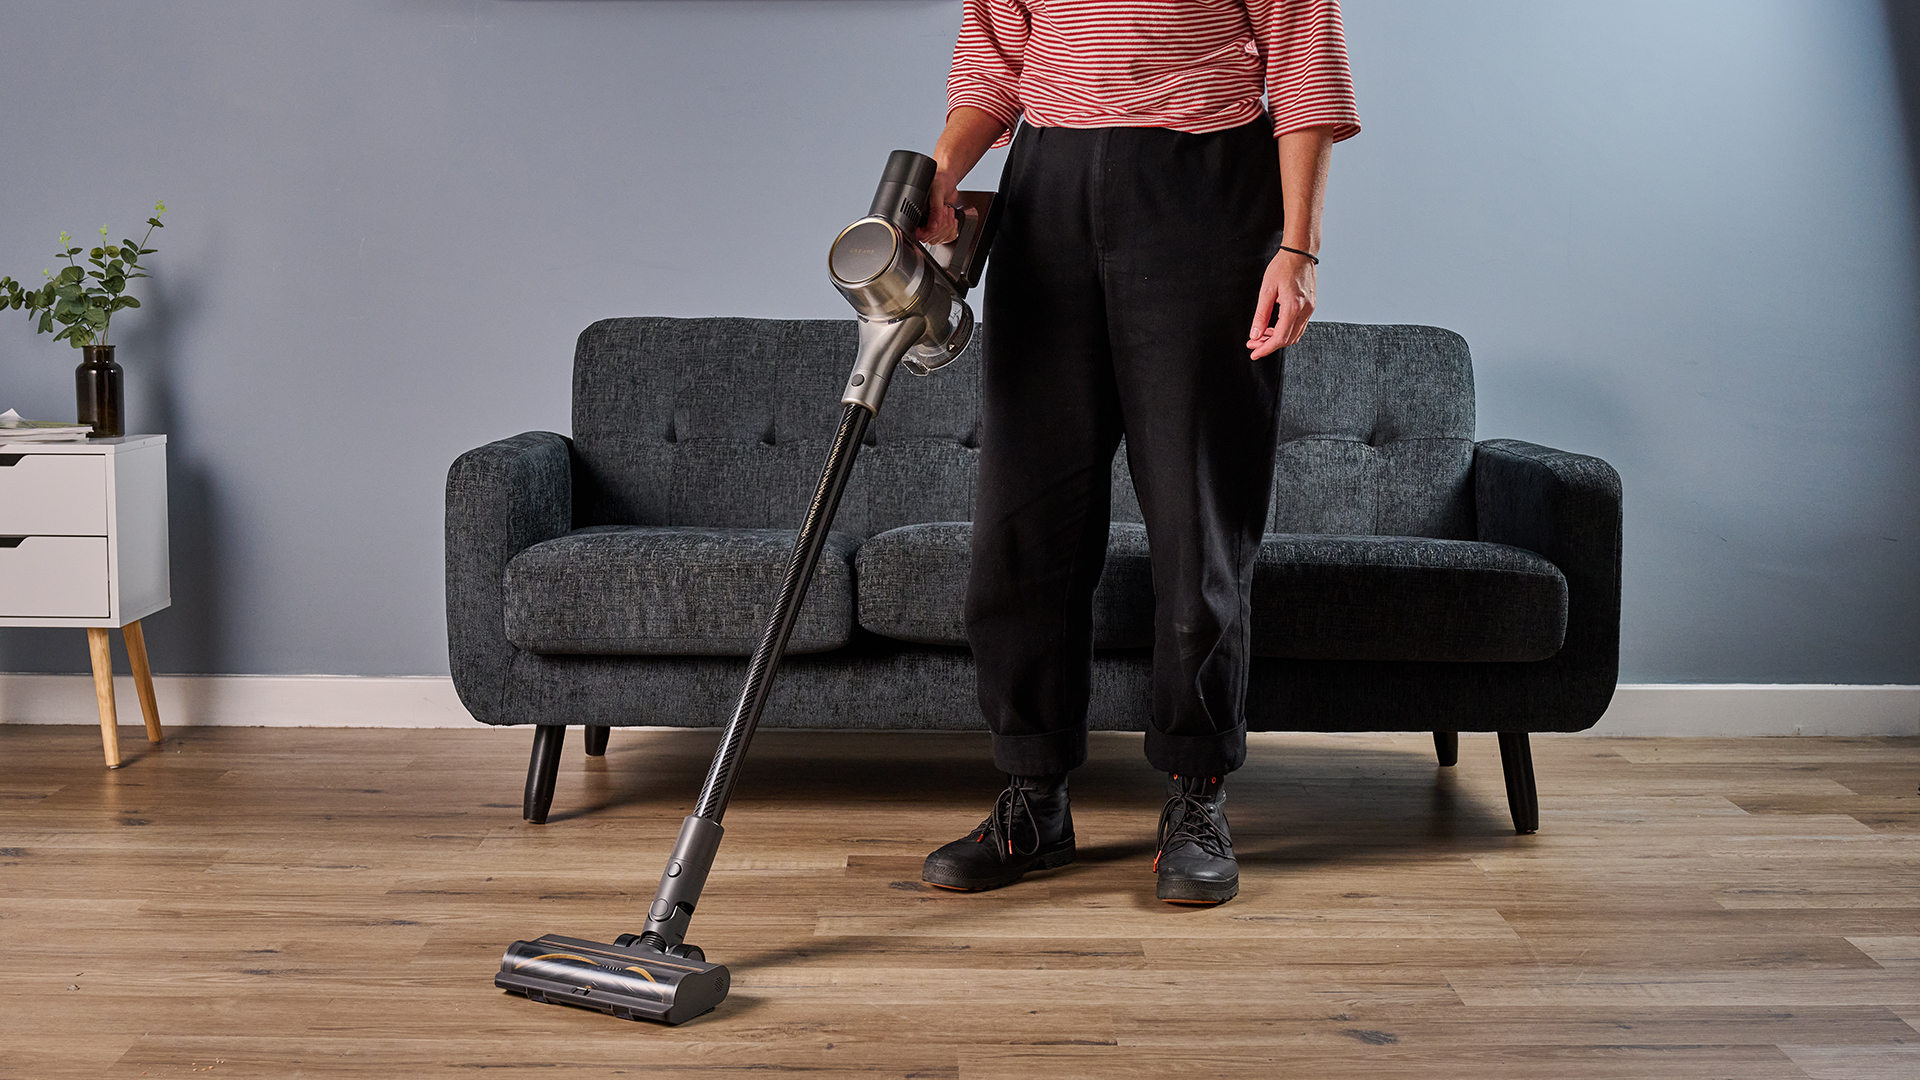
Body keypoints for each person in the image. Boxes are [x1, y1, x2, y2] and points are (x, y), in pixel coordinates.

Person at [915, 0, 1361, 905]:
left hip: (1204, 195)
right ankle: (1033, 798)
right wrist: (941, 172)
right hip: (1047, 200)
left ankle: (1196, 795)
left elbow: (1305, 71)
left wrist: (1299, 247)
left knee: (1199, 519)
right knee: (1023, 523)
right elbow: (994, 65)